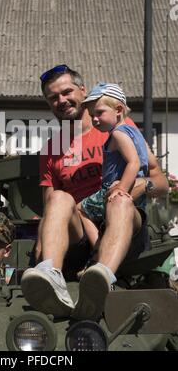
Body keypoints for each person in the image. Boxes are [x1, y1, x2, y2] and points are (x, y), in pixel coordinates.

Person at [21, 64, 168, 320]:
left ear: (82, 90)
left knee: (120, 203)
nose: (62, 100)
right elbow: (51, 205)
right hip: (80, 230)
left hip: (123, 224)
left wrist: (140, 186)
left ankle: (102, 278)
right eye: (53, 97)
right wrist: (43, 243)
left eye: (67, 92)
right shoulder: (52, 147)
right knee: (59, 197)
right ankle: (51, 274)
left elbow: (160, 181)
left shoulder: (119, 128)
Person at [77, 82, 149, 250]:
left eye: (100, 113)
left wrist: (121, 188)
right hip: (138, 192)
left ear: (118, 110)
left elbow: (134, 162)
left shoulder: (117, 134)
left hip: (116, 187)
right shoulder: (134, 131)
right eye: (92, 114)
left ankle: (98, 248)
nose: (94, 119)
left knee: (79, 209)